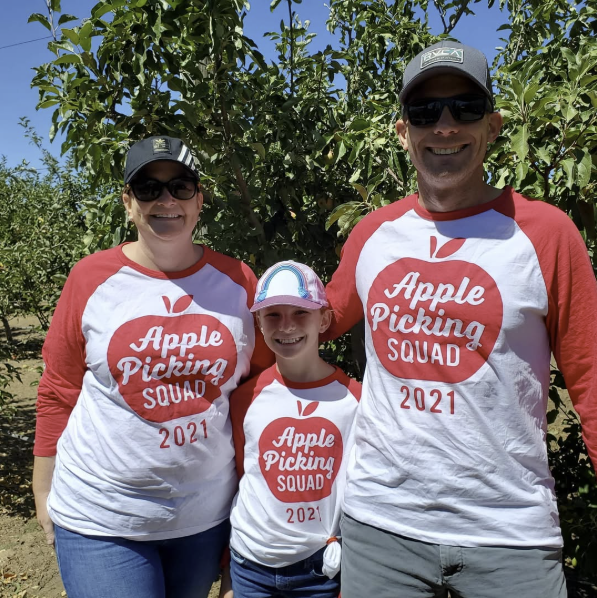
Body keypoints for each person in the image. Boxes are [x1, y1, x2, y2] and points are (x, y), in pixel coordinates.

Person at [324, 41, 597, 598]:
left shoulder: (545, 233)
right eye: (425, 113)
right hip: (383, 526)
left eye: (464, 109)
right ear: (403, 133)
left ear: (494, 126)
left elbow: (591, 376)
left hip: (509, 530)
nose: (444, 126)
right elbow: (313, 322)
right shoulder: (373, 234)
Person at [32, 135, 273, 598]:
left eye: (180, 187)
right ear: (128, 202)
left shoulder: (239, 282)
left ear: (199, 201)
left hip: (203, 519)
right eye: (148, 188)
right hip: (101, 515)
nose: (166, 200)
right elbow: (59, 388)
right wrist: (43, 492)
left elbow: (257, 391)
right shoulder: (91, 279)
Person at [227, 261, 361, 598]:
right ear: (258, 322)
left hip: (322, 571)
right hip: (250, 567)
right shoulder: (246, 397)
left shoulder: (355, 399)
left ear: (324, 319)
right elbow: (240, 479)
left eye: (301, 313)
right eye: (273, 315)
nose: (286, 326)